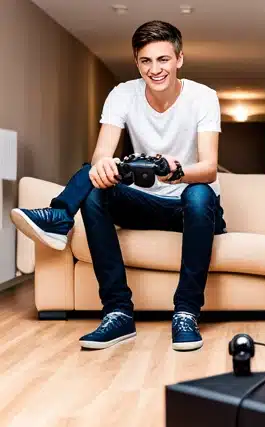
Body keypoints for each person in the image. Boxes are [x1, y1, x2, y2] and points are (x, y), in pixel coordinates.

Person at [11, 21, 226, 352]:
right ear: (137, 62)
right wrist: (105, 167)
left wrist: (177, 171)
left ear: (179, 59)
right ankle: (117, 313)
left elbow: (209, 169)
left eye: (163, 60)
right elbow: (100, 155)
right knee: (93, 181)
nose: (155, 70)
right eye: (146, 61)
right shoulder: (122, 94)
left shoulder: (203, 97)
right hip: (144, 203)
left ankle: (185, 313)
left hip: (193, 208)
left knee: (199, 193)